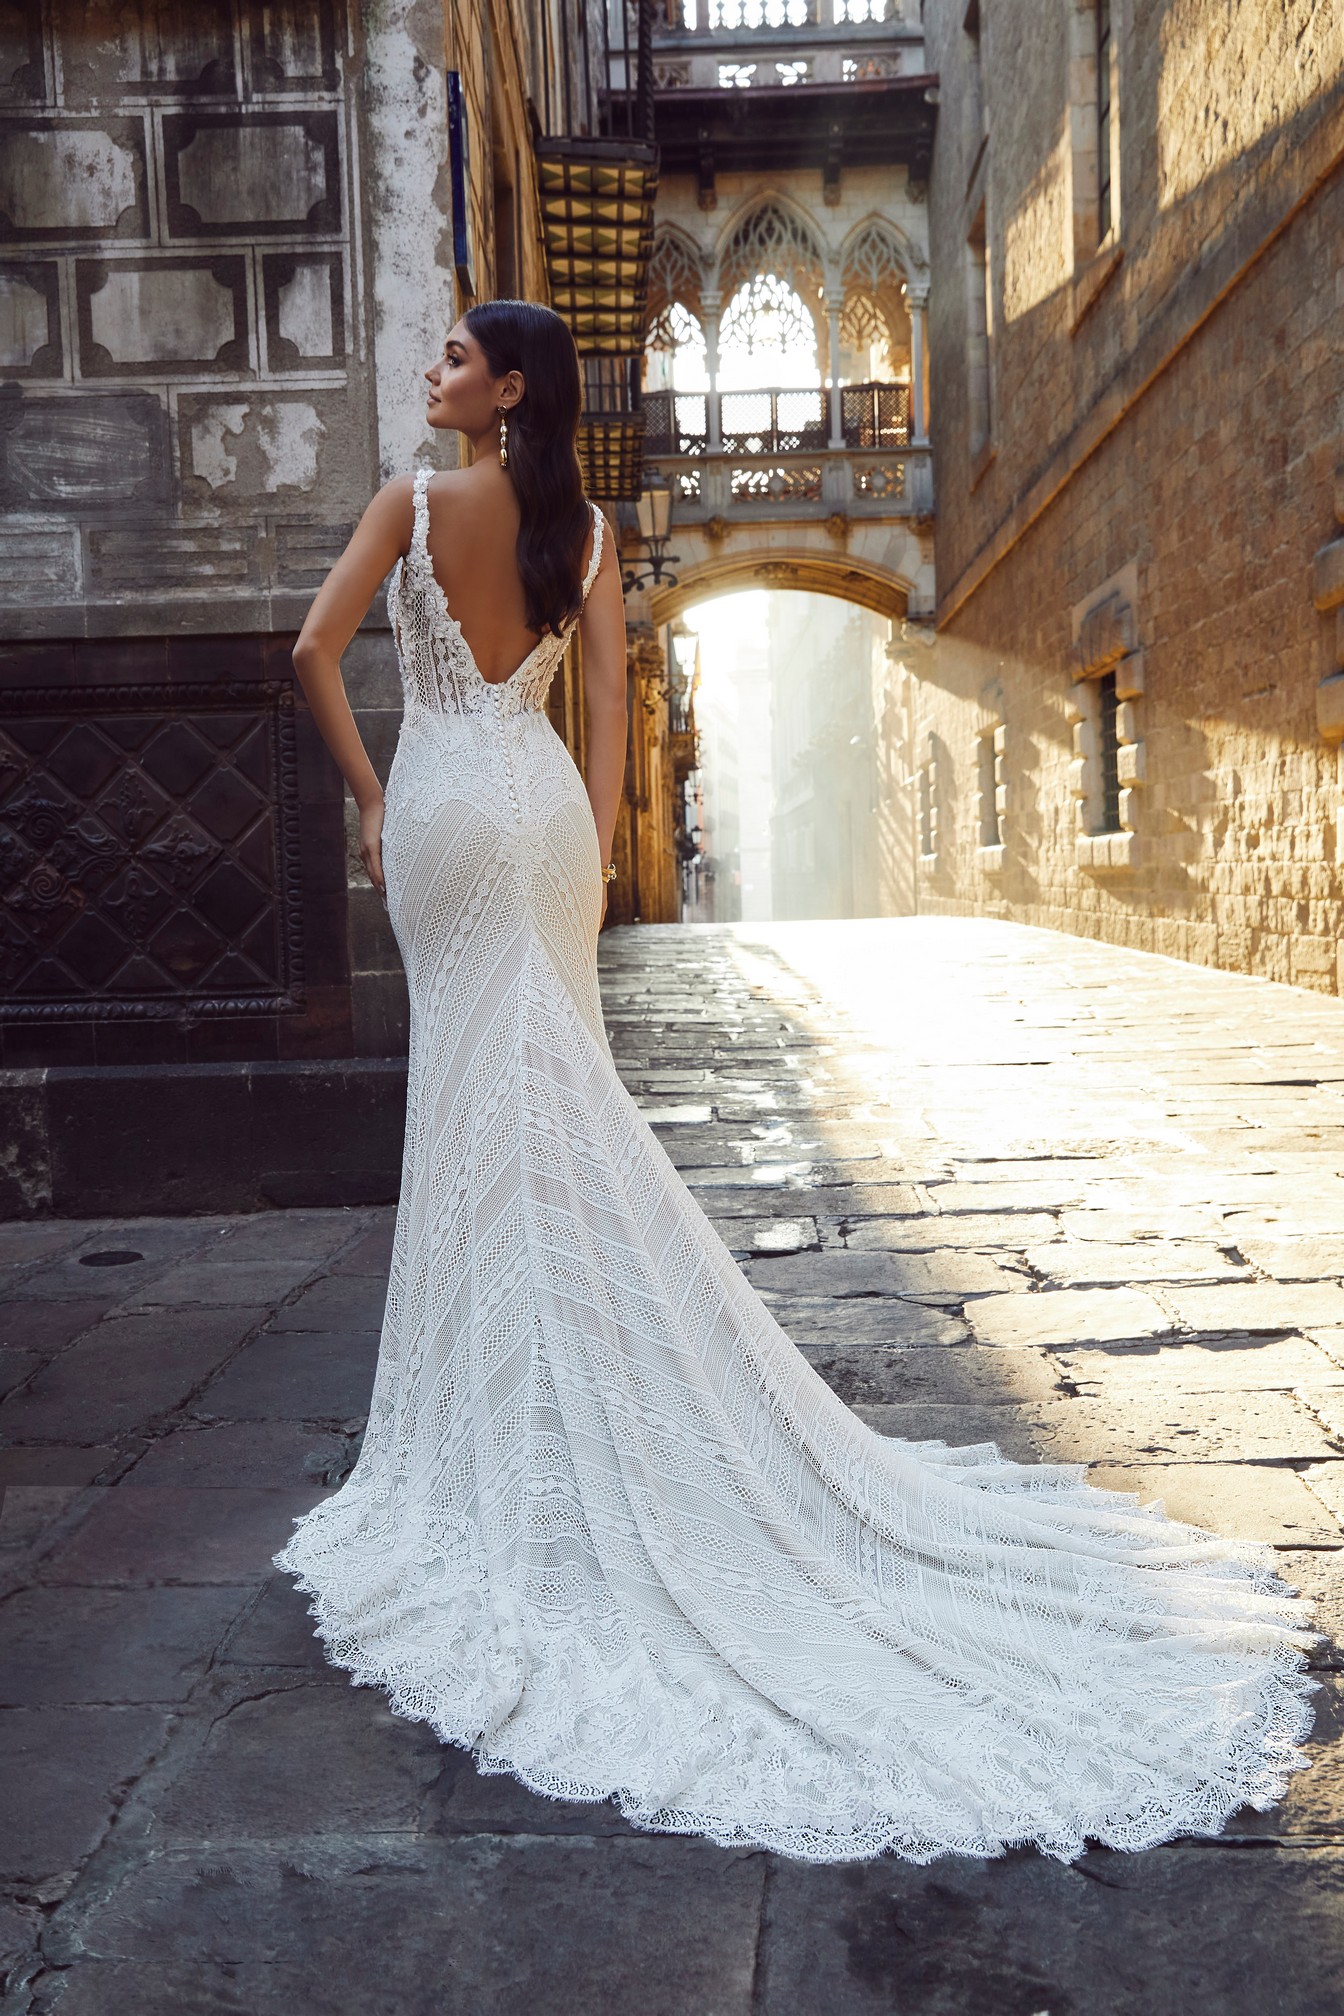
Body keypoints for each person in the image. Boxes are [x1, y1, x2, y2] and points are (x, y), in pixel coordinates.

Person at [275, 298, 1317, 1864]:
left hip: (438, 809)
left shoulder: (412, 507)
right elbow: (615, 701)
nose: (432, 377)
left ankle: (504, 1413)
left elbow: (305, 651)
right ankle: (589, 1383)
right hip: (545, 817)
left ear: (503, 391)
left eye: (452, 362)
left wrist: (374, 795)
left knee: (480, 1112)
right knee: (563, 1108)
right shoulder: (585, 527)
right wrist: (600, 842)